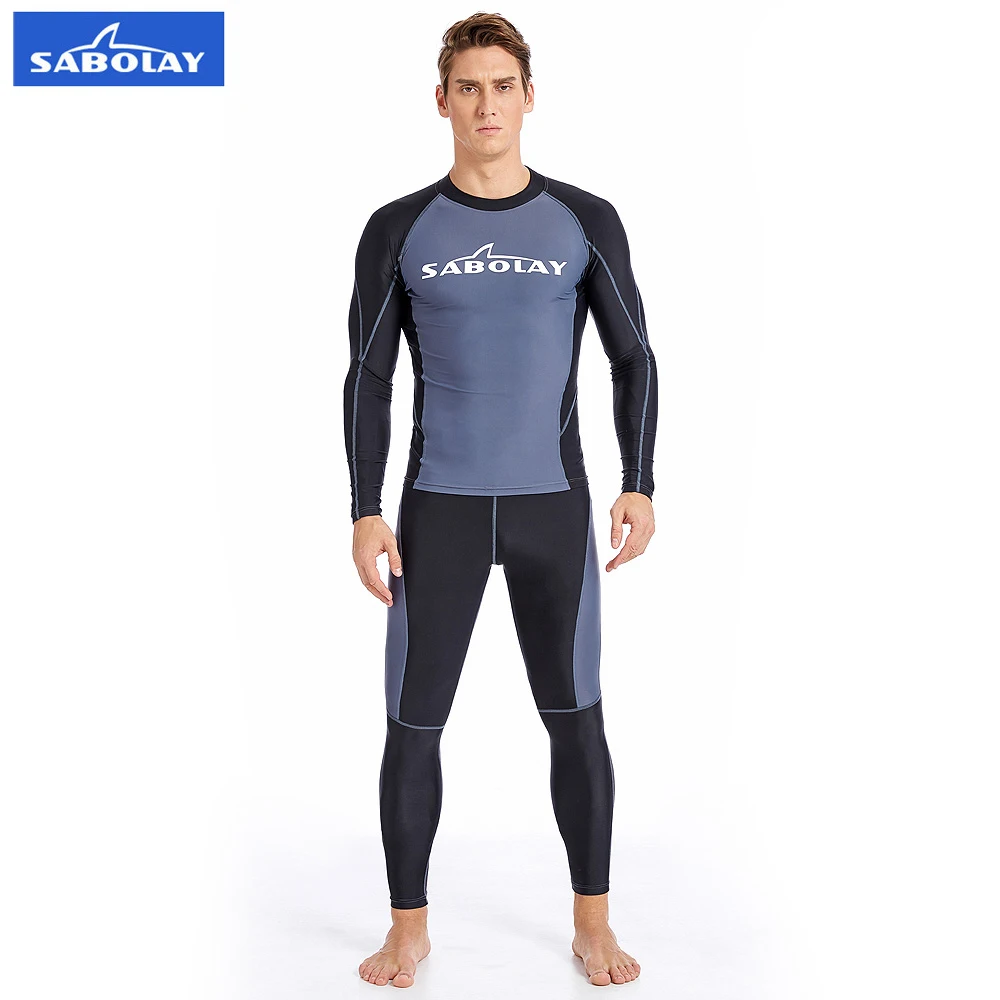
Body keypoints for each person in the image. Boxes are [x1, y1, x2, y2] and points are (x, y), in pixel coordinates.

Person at [345, 12, 656, 988]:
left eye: (503, 86)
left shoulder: (582, 219)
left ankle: (592, 923)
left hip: (550, 510)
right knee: (413, 725)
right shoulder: (399, 227)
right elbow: (368, 377)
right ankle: (408, 929)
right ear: (441, 100)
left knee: (577, 718)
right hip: (435, 511)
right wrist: (363, 506)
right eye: (469, 87)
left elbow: (634, 357)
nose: (487, 105)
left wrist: (639, 482)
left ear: (529, 97)